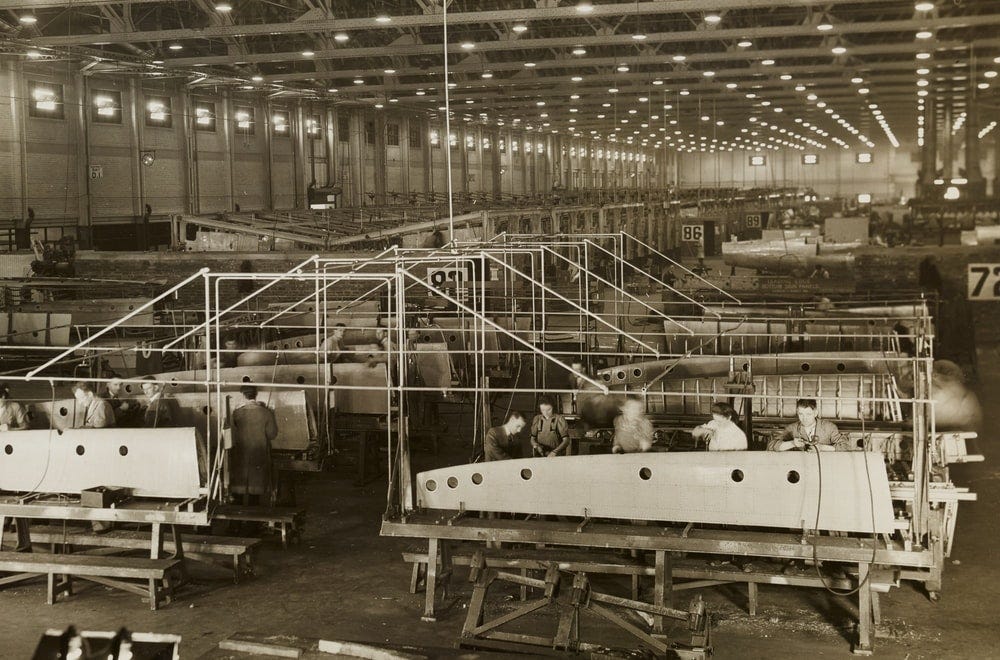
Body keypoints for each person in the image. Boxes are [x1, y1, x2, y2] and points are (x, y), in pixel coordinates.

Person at [229, 385, 278, 506]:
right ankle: (252, 525)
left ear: (243, 395)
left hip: (241, 454)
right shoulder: (266, 412)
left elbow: (232, 432)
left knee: (238, 490)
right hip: (258, 454)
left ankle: (235, 522)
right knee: (255, 491)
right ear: (256, 395)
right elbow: (272, 434)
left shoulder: (237, 413)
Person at [767, 398, 851, 452]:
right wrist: (792, 443)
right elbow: (771, 446)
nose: (804, 418)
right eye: (801, 414)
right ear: (797, 412)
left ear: (815, 413)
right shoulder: (791, 429)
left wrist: (821, 448)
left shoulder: (829, 427)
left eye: (808, 414)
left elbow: (845, 447)